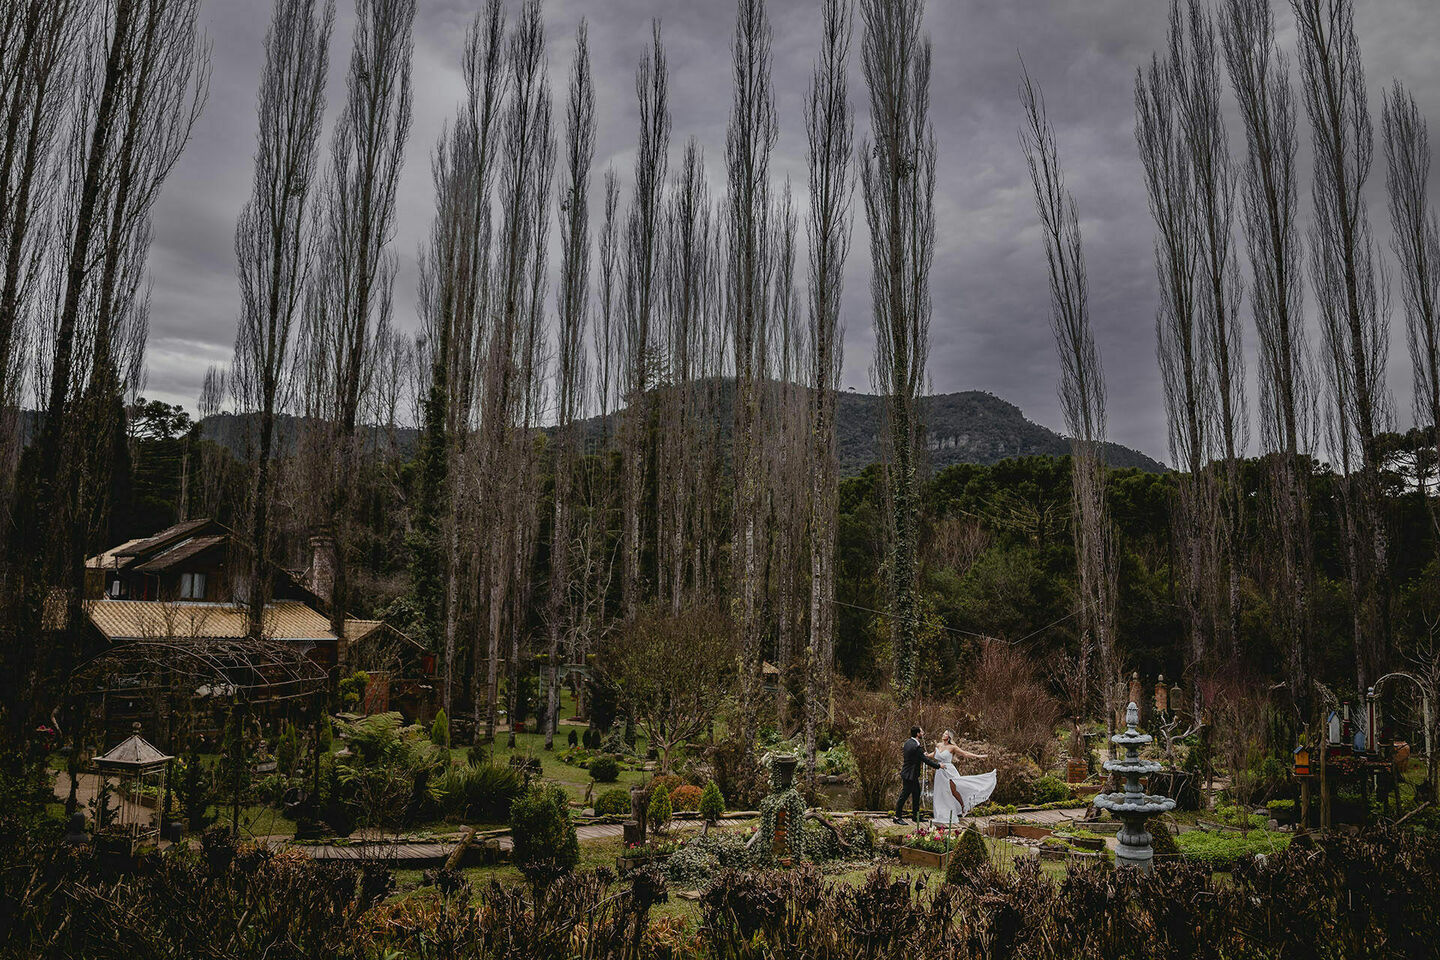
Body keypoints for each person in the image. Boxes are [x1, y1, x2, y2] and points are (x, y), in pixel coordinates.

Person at [928, 730, 995, 826]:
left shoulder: (953, 747)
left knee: (953, 790)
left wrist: (979, 756)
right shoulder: (938, 745)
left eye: (946, 734)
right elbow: (934, 755)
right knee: (940, 793)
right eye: (943, 733)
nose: (943, 735)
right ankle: (942, 815)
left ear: (949, 737)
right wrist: (926, 755)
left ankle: (963, 806)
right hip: (939, 772)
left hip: (949, 770)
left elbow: (965, 754)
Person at [894, 726, 941, 824]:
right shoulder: (916, 747)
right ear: (918, 734)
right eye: (921, 731)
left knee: (916, 794)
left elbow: (915, 756)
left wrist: (921, 753)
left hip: (910, 774)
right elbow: (925, 760)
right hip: (909, 775)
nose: (923, 733)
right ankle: (897, 817)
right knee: (904, 795)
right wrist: (938, 766)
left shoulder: (908, 743)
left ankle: (915, 816)